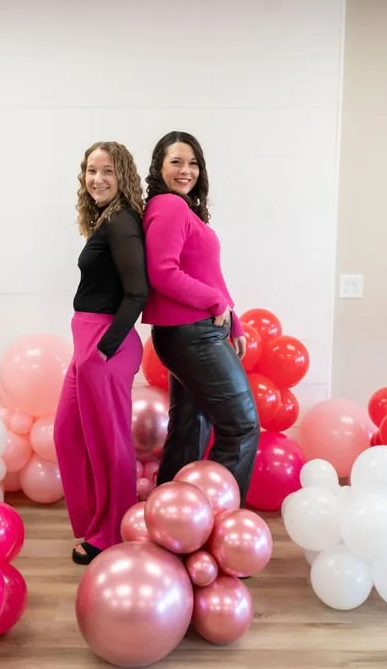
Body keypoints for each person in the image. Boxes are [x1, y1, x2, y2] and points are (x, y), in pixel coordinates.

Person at [141, 130, 260, 506]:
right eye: (176, 161)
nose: (185, 170)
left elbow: (207, 272)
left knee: (190, 428)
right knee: (241, 428)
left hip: (190, 332)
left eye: (193, 163)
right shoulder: (170, 206)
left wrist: (232, 319)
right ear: (159, 167)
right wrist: (215, 304)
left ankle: (170, 517)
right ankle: (218, 519)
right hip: (190, 335)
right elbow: (162, 271)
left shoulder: (182, 209)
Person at [53, 141, 148, 565]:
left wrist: (103, 350)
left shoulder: (122, 223)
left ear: (122, 175)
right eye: (91, 171)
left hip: (106, 342)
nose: (97, 179)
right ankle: (95, 522)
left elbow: (137, 292)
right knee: (68, 433)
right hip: (88, 343)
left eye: (107, 171)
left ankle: (113, 534)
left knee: (110, 444)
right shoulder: (105, 222)